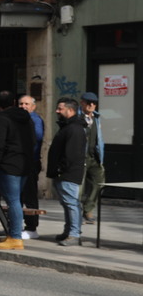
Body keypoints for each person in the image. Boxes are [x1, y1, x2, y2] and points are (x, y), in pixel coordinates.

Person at [0, 91, 35, 250]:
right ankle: (14, 234)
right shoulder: (27, 118)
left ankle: (15, 236)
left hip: (7, 165)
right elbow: (33, 140)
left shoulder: (1, 119)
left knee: (13, 201)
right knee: (16, 200)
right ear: (14, 101)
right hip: (24, 163)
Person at [47, 97, 87, 246]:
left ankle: (74, 234)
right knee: (66, 203)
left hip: (69, 173)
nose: (57, 111)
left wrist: (60, 169)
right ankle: (68, 230)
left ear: (70, 110)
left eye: (60, 108)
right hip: (63, 173)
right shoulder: (67, 126)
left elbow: (72, 154)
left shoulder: (74, 128)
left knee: (71, 203)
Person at [18, 94, 44, 239]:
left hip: (30, 163)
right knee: (20, 196)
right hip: (20, 164)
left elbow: (37, 138)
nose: (24, 106)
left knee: (29, 196)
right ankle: (19, 225)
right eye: (21, 104)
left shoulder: (34, 120)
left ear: (33, 106)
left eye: (27, 104)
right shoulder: (21, 120)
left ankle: (32, 227)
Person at [78, 92, 105, 225]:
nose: (91, 105)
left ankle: (88, 209)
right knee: (79, 188)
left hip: (94, 156)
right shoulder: (77, 117)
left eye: (94, 103)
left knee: (99, 182)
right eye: (88, 103)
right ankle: (76, 214)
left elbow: (99, 138)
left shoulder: (97, 117)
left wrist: (101, 157)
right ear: (82, 102)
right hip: (80, 157)